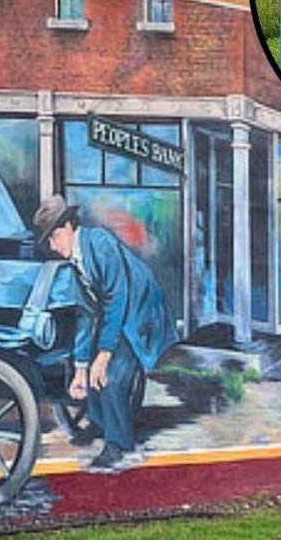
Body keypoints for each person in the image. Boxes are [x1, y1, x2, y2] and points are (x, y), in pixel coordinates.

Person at [33, 195, 180, 473]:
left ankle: (119, 445)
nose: (52, 246)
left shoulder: (100, 243)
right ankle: (102, 426)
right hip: (116, 311)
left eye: (54, 238)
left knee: (110, 375)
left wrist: (103, 355)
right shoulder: (74, 263)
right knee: (92, 370)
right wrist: (81, 368)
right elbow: (85, 315)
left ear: (67, 228)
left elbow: (117, 298)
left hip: (139, 311)